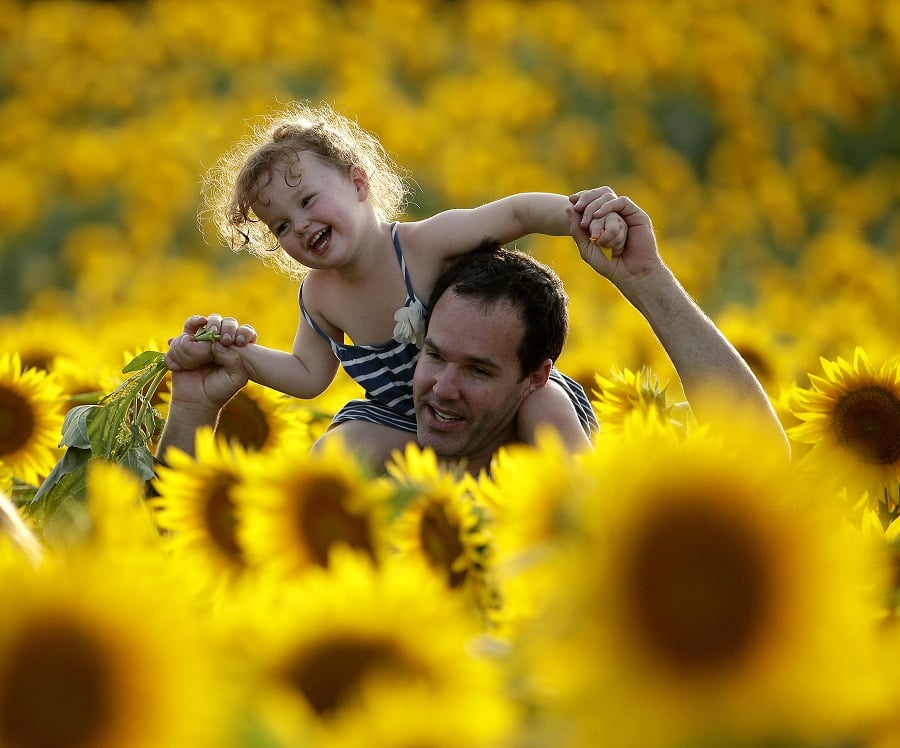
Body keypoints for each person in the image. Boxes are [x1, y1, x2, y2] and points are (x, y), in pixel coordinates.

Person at [157, 188, 788, 475]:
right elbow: (194, 565)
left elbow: (760, 461)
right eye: (432, 353)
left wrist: (643, 276)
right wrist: (190, 409)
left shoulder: (557, 455)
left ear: (534, 377)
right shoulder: (364, 462)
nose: (441, 388)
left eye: (480, 369)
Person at [170, 101, 626, 468]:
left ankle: (584, 507)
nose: (301, 225)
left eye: (308, 200)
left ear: (359, 183)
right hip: (402, 420)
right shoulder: (320, 295)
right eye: (281, 227)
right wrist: (238, 354)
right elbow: (308, 376)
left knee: (545, 406)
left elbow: (517, 214)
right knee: (334, 453)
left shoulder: (423, 244)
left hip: (494, 404)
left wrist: (582, 217)